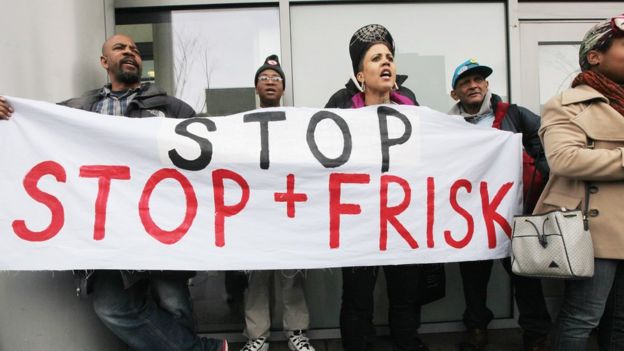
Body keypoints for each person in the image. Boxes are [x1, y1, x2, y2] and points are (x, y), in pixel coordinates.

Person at [0, 34, 226, 351]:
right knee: (112, 307)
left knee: (172, 302)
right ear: (105, 62)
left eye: (134, 49)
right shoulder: (79, 109)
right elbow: (36, 128)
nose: (130, 52)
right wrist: (12, 115)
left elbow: (211, 144)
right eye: (120, 48)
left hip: (160, 222)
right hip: (106, 230)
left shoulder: (168, 107)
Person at [325, 24, 427, 351]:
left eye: (390, 57)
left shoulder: (411, 105)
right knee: (357, 297)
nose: (386, 63)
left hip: (402, 216)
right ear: (361, 74)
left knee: (406, 292)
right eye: (376, 58)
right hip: (359, 219)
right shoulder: (340, 106)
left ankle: (407, 342)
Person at [448, 59, 552, 351]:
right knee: (473, 279)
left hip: (512, 213)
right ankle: (477, 329)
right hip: (470, 215)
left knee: (525, 277)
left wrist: (540, 173)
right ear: (455, 93)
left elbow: (546, 139)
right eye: (465, 82)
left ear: (487, 85)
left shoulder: (513, 115)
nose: (473, 85)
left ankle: (536, 335)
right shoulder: (446, 126)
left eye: (479, 79)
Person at [536, 14, 624, 350]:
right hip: (594, 231)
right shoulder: (566, 104)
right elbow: (564, 159)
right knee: (583, 317)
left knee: (620, 322)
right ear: (595, 56)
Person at [239, 55, 315, 351]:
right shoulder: (240, 124)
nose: (270, 81)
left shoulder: (297, 125)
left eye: (276, 78)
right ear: (256, 88)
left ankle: (297, 332)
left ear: (283, 88)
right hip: (255, 209)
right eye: (264, 78)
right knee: (256, 276)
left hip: (288, 208)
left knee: (291, 273)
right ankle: (257, 335)